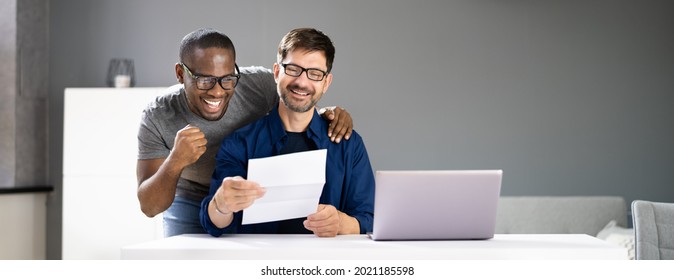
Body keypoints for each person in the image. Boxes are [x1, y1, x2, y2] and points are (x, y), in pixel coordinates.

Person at [136, 28, 354, 237]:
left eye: (227, 79)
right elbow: (149, 207)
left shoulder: (257, 84)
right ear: (180, 73)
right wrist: (176, 160)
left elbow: (299, 95)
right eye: (204, 80)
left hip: (245, 192)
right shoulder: (158, 115)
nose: (217, 91)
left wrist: (328, 113)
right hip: (189, 197)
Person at [200, 27, 374, 237]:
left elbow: (369, 218)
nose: (302, 82)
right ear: (276, 72)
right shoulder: (239, 143)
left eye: (315, 74)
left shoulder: (349, 145)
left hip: (326, 265)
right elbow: (216, 225)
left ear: (326, 82)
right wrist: (221, 205)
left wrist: (343, 224)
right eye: (293, 69)